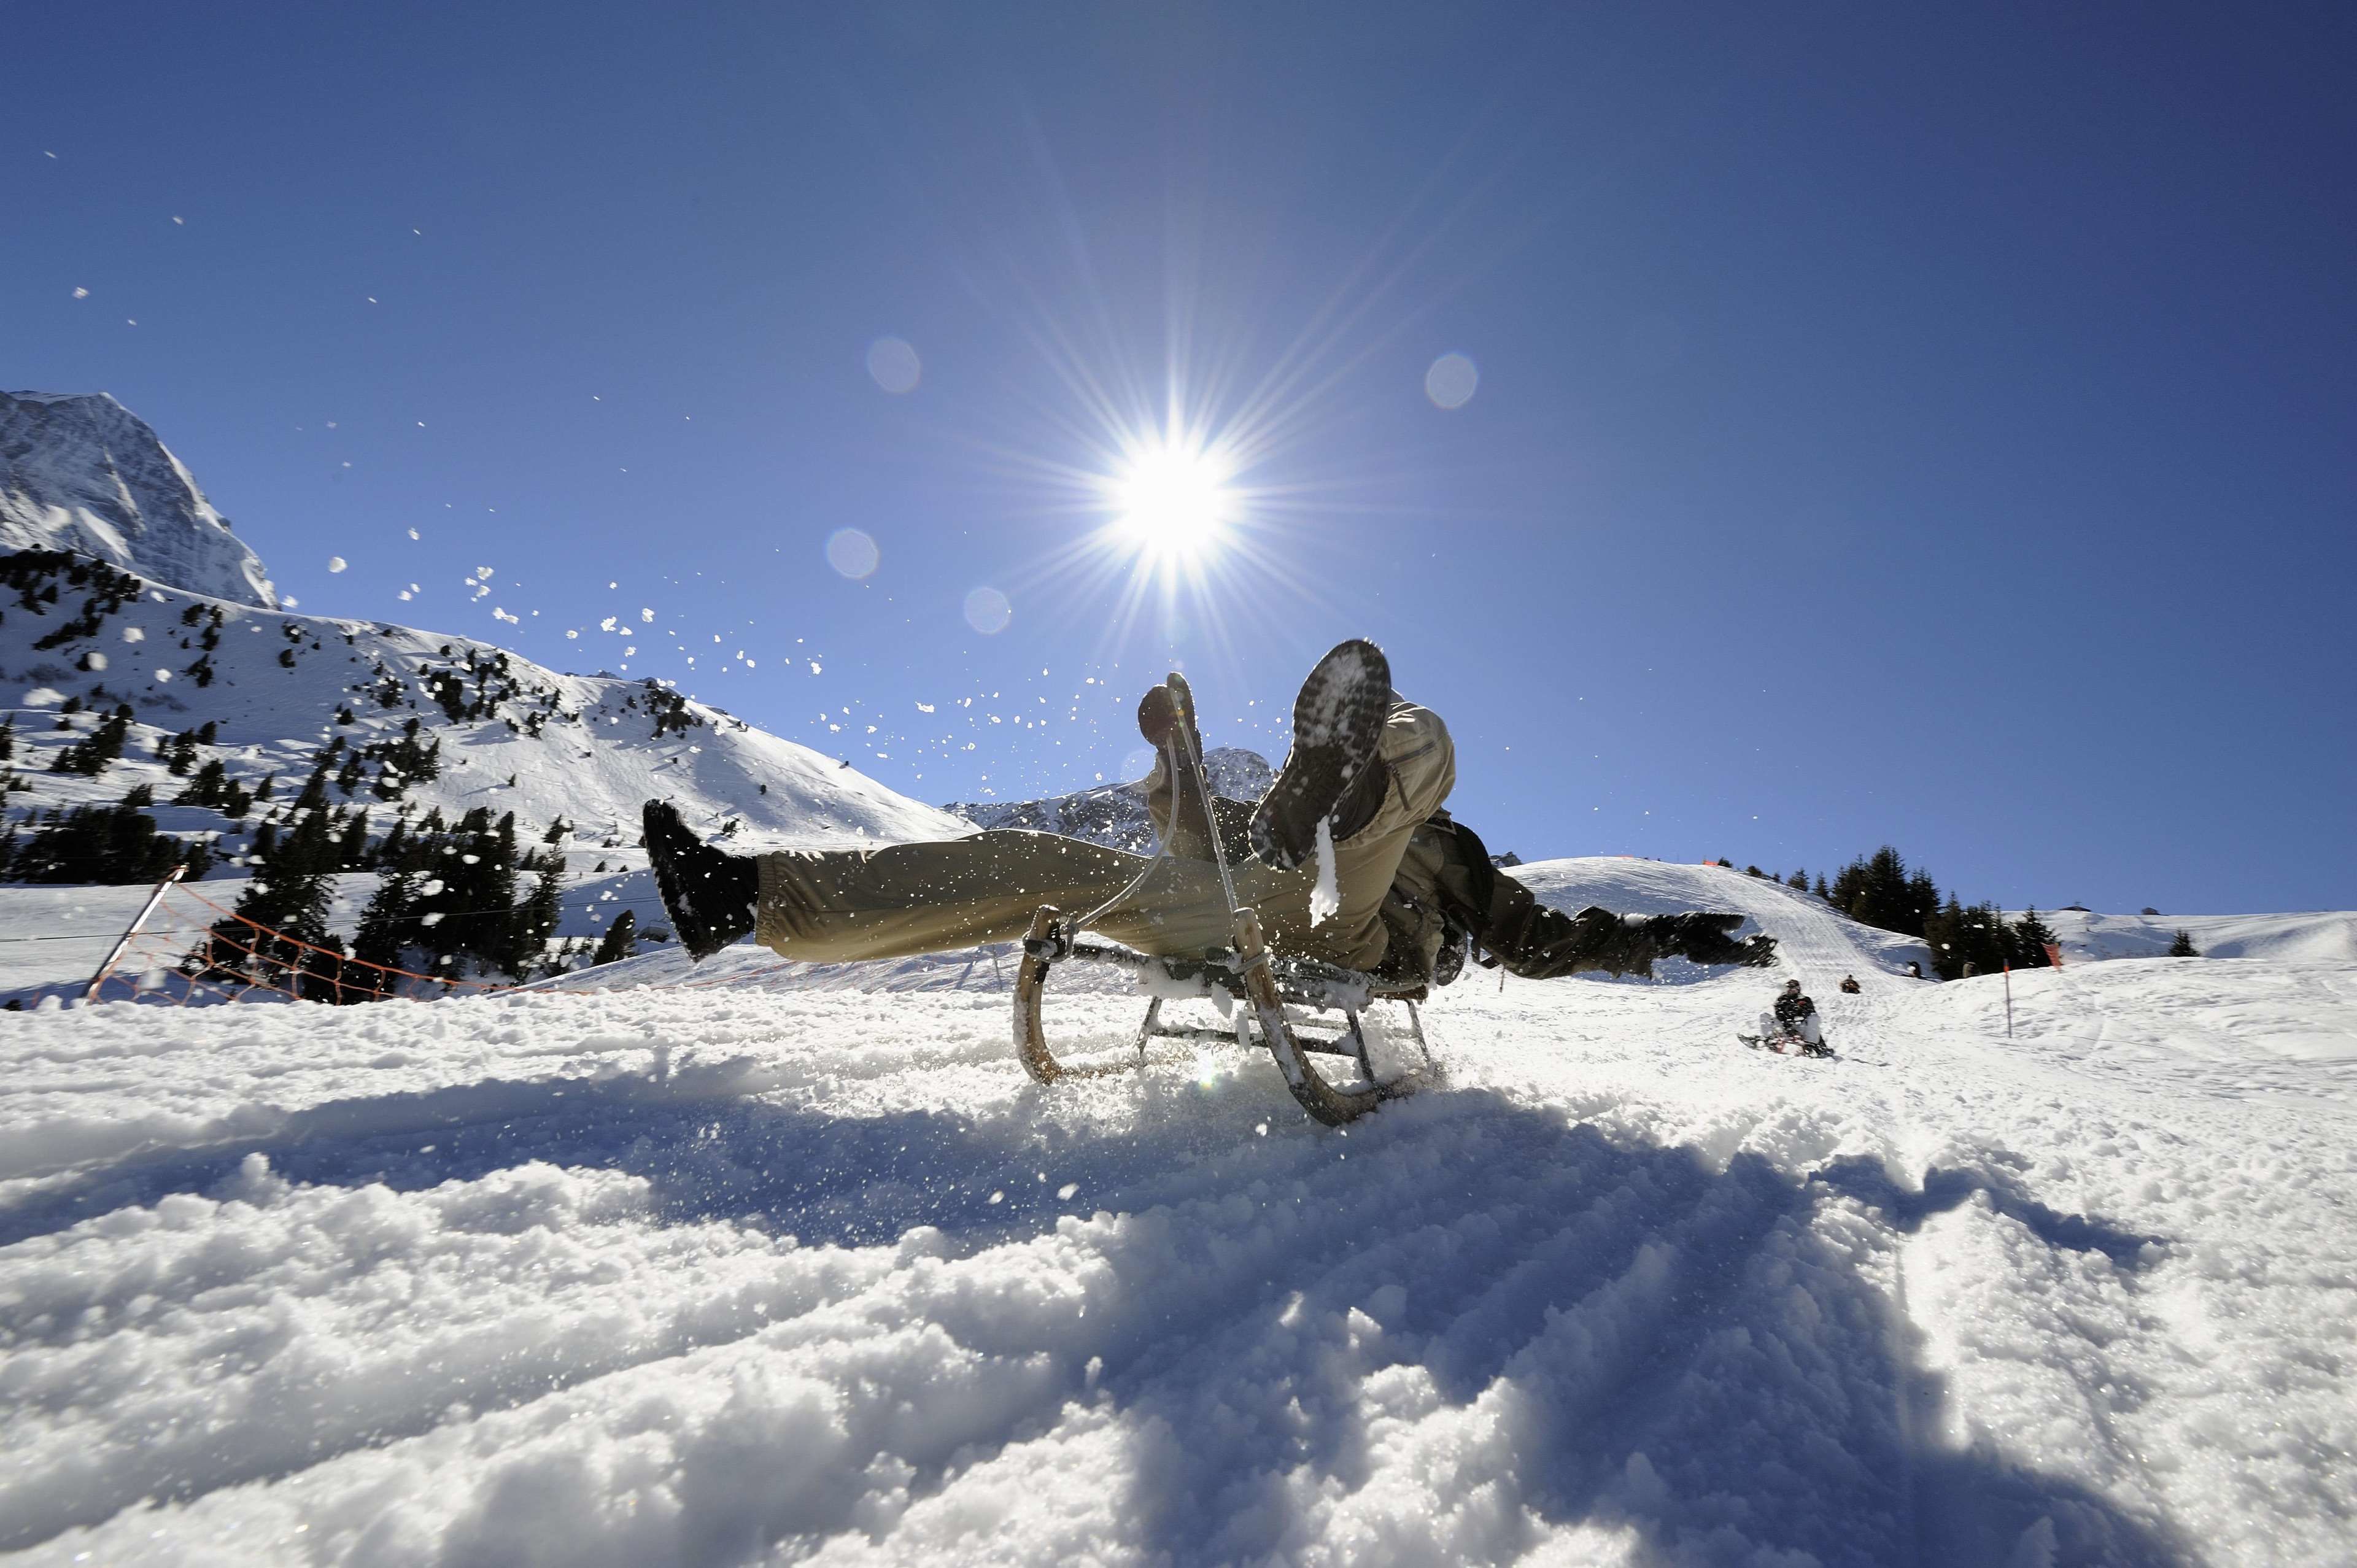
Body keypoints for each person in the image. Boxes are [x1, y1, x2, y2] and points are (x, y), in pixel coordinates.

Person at [643, 639, 1778, 985]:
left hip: (1366, 940)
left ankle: (1354, 789)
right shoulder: (1267, 834)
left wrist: (1667, 935)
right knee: (1034, 857)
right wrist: (1178, 755)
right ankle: (746, 899)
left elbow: (1534, 945)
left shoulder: (1457, 853)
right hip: (1260, 897)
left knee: (1433, 745)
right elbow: (1202, 851)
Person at [1757, 978, 1824, 1051]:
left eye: (1793, 989)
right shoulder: (1782, 1000)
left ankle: (1811, 1045)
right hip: (1783, 1027)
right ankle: (1769, 1040)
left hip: (1799, 1027)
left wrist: (1797, 1016)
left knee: (1814, 1017)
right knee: (1764, 1016)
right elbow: (1779, 1014)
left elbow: (1809, 1012)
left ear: (1798, 990)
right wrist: (1787, 1024)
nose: (1790, 991)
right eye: (1789, 989)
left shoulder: (1805, 1000)